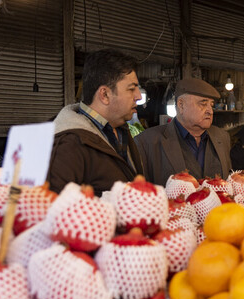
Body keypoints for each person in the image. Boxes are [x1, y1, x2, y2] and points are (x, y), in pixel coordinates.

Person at [47, 48, 144, 196]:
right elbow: (56, 210)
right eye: (131, 89)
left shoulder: (121, 130)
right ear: (104, 95)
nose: (138, 96)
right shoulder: (67, 144)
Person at [134, 77, 232, 185]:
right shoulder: (147, 142)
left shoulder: (222, 138)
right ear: (181, 105)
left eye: (211, 105)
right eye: (203, 104)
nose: (210, 111)